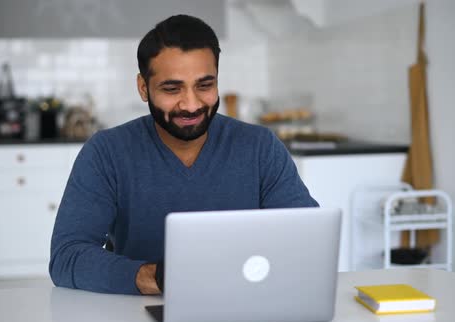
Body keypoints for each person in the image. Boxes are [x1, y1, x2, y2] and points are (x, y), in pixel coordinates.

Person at [49, 14, 319, 296]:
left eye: (204, 85)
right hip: (135, 312)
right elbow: (67, 257)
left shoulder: (260, 146)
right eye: (171, 88)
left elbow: (306, 238)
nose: (191, 105)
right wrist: (156, 277)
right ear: (144, 87)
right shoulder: (106, 152)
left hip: (245, 303)